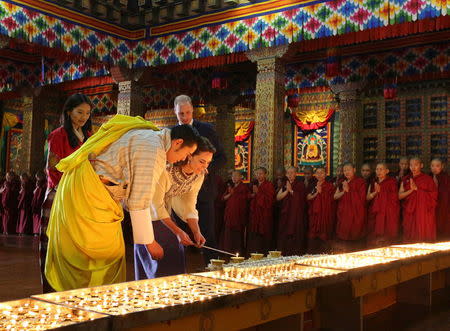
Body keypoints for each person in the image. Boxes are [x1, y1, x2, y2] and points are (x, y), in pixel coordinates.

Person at [45, 115, 200, 292]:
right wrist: (149, 242)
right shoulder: (153, 149)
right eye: (186, 154)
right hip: (88, 193)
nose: (183, 160)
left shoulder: (150, 136)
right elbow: (139, 202)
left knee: (111, 256)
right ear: (178, 142)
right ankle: (84, 303)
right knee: (95, 257)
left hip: (97, 191)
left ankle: (94, 301)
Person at [134, 137, 213, 280]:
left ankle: (174, 290)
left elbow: (189, 203)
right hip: (146, 212)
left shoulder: (198, 175)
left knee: (176, 249)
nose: (204, 167)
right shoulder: (166, 169)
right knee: (163, 250)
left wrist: (196, 231)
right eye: (202, 161)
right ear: (189, 156)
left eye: (208, 163)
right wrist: (178, 232)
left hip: (165, 212)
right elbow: (156, 204)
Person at [40, 93, 93, 293]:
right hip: (60, 195)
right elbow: (52, 168)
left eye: (87, 113)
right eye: (79, 112)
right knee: (57, 246)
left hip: (81, 195)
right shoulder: (57, 135)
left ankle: (75, 289)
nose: (83, 117)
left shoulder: (88, 136)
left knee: (78, 246)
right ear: (69, 111)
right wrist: (69, 188)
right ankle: (54, 289)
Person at [174, 95, 226, 264]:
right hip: (176, 191)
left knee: (207, 233)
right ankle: (177, 272)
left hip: (203, 191)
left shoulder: (207, 130)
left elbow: (222, 158)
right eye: (181, 113)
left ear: (192, 111)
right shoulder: (171, 133)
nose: (185, 117)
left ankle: (213, 268)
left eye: (188, 112)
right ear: (175, 113)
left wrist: (204, 167)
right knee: (177, 235)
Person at [399, 157, 437, 242]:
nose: (413, 167)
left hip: (423, 213)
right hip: (409, 212)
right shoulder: (406, 179)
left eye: (416, 165)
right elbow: (399, 196)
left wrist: (417, 189)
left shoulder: (428, 179)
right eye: (411, 165)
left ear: (421, 165)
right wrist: (411, 190)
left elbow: (433, 197)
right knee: (409, 235)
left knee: (422, 233)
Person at [334, 162, 367, 252]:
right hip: (344, 214)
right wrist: (344, 192)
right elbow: (335, 196)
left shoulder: (360, 182)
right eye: (344, 170)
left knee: (355, 239)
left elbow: (362, 200)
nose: (346, 172)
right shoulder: (342, 182)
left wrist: (349, 191)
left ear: (354, 170)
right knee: (343, 238)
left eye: (348, 170)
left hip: (356, 214)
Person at [366, 163, 400, 247]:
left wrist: (382, 192)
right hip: (375, 212)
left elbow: (395, 198)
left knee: (386, 235)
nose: (378, 171)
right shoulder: (373, 182)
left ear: (387, 171)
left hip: (387, 212)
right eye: (377, 169)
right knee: (374, 234)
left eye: (381, 169)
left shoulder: (392, 182)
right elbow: (367, 198)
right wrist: (375, 192)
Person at [276, 166, 306, 256]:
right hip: (286, 214)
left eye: (292, 172)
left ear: (296, 174)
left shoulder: (300, 184)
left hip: (296, 215)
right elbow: (278, 197)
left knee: (295, 233)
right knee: (284, 233)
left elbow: (301, 199)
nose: (290, 175)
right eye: (288, 173)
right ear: (286, 174)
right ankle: (284, 254)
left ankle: (295, 254)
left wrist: (291, 191)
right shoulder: (285, 184)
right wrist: (287, 191)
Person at [220, 170, 250, 256]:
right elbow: (223, 198)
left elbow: (247, 199)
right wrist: (230, 194)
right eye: (232, 176)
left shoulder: (244, 187)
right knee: (228, 234)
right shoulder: (230, 187)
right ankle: (228, 253)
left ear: (241, 177)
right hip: (229, 215)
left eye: (236, 176)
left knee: (237, 235)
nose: (233, 178)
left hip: (239, 216)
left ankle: (237, 253)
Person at [247, 167, 275, 255]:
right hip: (254, 215)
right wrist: (252, 195)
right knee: (253, 236)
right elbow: (248, 197)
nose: (259, 176)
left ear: (265, 174)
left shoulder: (269, 185)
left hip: (264, 216)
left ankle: (263, 255)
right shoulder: (253, 185)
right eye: (257, 174)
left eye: (261, 173)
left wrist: (258, 192)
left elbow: (269, 201)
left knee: (263, 237)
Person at [307, 167, 335, 253]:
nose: (319, 175)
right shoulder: (313, 185)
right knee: (313, 236)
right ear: (315, 175)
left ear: (325, 174)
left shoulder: (329, 186)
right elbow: (308, 197)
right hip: (315, 215)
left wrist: (322, 193)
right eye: (317, 173)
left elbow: (332, 200)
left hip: (324, 214)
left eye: (321, 173)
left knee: (324, 235)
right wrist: (317, 193)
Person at [430, 158, 450, 240]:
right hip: (431, 204)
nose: (434, 168)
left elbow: (446, 193)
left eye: (437, 166)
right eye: (432, 166)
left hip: (443, 204)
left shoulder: (446, 178)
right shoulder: (427, 177)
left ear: (442, 166)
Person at [32, 171, 46, 236]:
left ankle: (39, 231)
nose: (37, 179)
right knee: (36, 217)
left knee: (40, 217)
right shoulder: (37, 183)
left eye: (38, 178)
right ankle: (35, 231)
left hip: (41, 201)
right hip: (36, 201)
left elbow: (43, 191)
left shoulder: (44, 183)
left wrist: (39, 187)